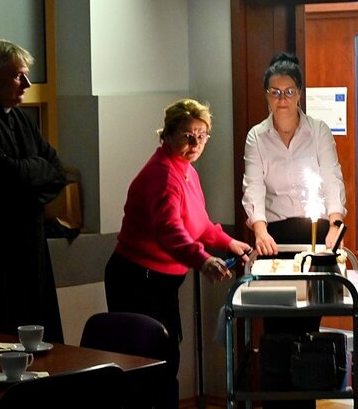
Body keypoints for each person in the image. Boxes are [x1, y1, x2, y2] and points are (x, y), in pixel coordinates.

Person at [104, 98, 252, 408]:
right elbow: (169, 230)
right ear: (167, 135)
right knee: (148, 366)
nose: (195, 143)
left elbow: (198, 223)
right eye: (187, 135)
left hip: (161, 282)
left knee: (167, 357)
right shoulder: (163, 175)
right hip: (137, 280)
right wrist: (203, 259)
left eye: (202, 135)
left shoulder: (185, 170)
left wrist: (228, 242)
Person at [241, 52, 347, 409]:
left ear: (299, 93)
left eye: (288, 91)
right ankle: (276, 400)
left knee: (306, 325)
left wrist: (335, 224)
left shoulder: (317, 130)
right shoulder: (257, 137)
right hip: (274, 237)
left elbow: (331, 177)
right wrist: (259, 231)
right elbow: (253, 187)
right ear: (266, 95)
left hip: (313, 234)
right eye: (275, 92)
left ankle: (305, 397)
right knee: (276, 327)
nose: (282, 99)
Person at [0, 39, 67, 343]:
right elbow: (3, 178)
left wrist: (24, 183)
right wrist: (29, 178)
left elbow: (57, 172)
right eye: (18, 76)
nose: (27, 84)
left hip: (31, 249)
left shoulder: (20, 118)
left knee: (38, 341)